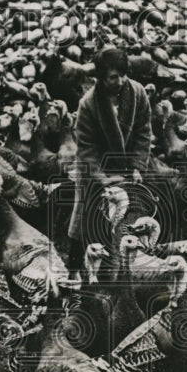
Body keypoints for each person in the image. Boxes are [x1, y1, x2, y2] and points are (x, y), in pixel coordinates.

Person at [66, 47, 153, 272]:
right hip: (96, 171)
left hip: (127, 168)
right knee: (84, 220)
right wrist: (104, 179)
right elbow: (87, 150)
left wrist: (137, 167)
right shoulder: (88, 104)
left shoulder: (138, 93)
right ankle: (74, 269)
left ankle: (121, 272)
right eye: (114, 77)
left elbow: (143, 132)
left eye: (124, 75)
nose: (121, 81)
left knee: (126, 221)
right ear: (102, 78)